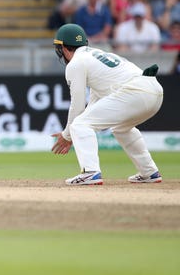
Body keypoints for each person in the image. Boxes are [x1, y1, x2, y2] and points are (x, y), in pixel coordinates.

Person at [51, 24, 164, 185]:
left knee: (79, 124)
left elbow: (77, 105)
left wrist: (68, 134)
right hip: (154, 90)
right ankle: (149, 172)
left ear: (62, 47)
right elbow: (94, 102)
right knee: (121, 128)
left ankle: (90, 172)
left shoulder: (76, 63)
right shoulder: (96, 55)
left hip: (135, 92)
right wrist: (73, 133)